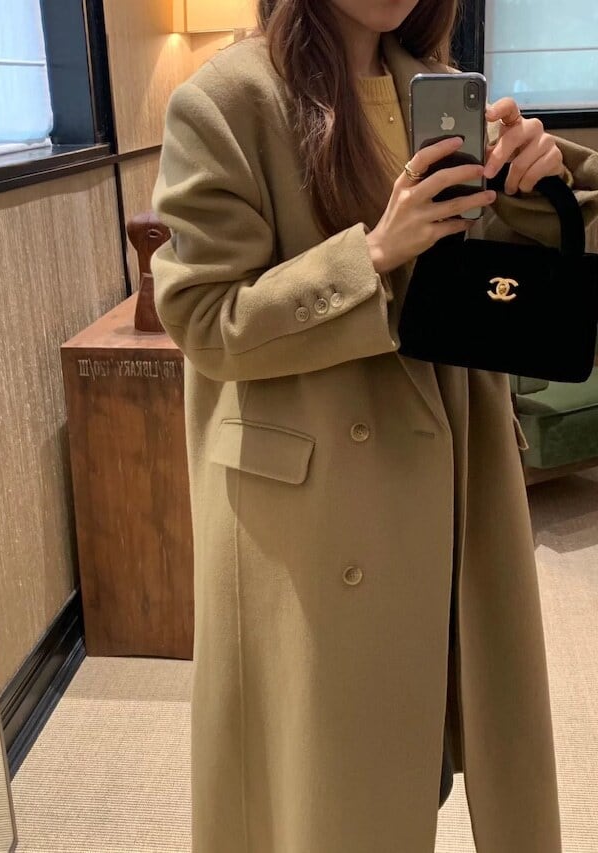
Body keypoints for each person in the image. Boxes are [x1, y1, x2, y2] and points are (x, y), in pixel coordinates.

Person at [151, 2, 598, 851]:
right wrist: (373, 253)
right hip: (320, 509)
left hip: (456, 470)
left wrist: (536, 187)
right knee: (337, 795)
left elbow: (502, 271)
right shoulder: (225, 102)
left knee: (441, 741)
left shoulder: (438, 90)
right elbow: (205, 319)